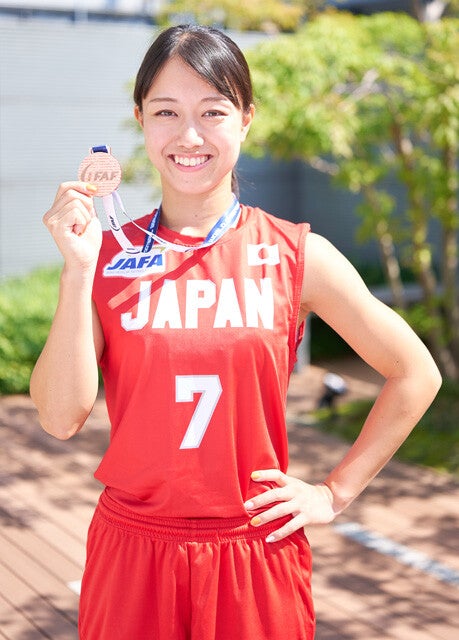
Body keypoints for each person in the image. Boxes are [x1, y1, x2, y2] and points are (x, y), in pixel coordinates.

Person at [30, 24, 441, 640]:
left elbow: (415, 373)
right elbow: (60, 417)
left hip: (254, 549)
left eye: (213, 111)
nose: (189, 135)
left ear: (245, 118)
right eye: (166, 111)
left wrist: (333, 493)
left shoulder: (299, 253)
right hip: (134, 550)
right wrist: (78, 269)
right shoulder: (104, 255)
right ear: (140, 118)